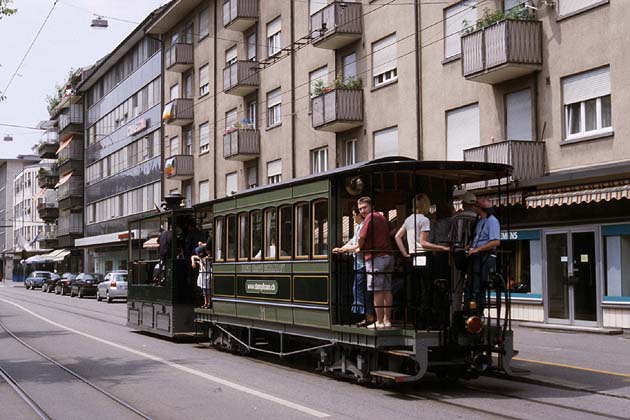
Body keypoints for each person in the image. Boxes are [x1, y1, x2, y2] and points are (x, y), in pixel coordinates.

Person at [395, 194, 449, 329]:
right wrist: (442, 247)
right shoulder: (425, 220)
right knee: (427, 288)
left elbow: (397, 237)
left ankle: (414, 318)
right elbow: (424, 243)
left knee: (414, 288)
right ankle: (426, 319)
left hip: (412, 257)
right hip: (424, 256)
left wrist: (405, 253)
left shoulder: (408, 219)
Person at [332, 206, 375, 326]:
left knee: (359, 289)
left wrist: (343, 250)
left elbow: (357, 245)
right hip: (359, 263)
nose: (352, 217)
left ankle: (367, 315)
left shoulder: (363, 228)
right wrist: (342, 248)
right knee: (359, 289)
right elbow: (352, 240)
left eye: (353, 215)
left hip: (363, 264)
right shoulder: (358, 227)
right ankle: (366, 314)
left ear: (358, 215)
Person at [357, 197, 394, 329]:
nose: (362, 211)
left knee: (377, 290)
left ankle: (379, 321)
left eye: (364, 207)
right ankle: (386, 320)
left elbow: (361, 237)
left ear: (371, 206)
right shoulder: (382, 217)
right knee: (387, 289)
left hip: (376, 258)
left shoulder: (370, 217)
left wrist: (358, 248)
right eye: (360, 209)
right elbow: (391, 231)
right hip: (388, 256)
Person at [465, 197, 501, 313]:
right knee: (470, 282)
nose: (474, 209)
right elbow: (476, 238)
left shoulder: (492, 221)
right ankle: (468, 307)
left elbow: (496, 241)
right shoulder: (480, 221)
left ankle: (477, 308)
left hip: (486, 255)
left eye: (475, 207)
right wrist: (469, 246)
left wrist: (478, 249)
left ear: (479, 208)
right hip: (476, 255)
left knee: (477, 282)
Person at [448, 191, 478, 310]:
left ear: (463, 203)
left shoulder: (455, 217)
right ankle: (471, 309)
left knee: (456, 284)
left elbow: (450, 237)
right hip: (473, 253)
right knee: (472, 282)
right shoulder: (478, 217)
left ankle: (456, 310)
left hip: (457, 253)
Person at [192, 244, 212, 308]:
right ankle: (205, 303)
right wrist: (193, 262)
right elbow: (193, 257)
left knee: (208, 290)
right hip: (203, 275)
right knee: (204, 290)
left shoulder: (208, 258)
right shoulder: (201, 258)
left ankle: (209, 303)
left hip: (207, 275)